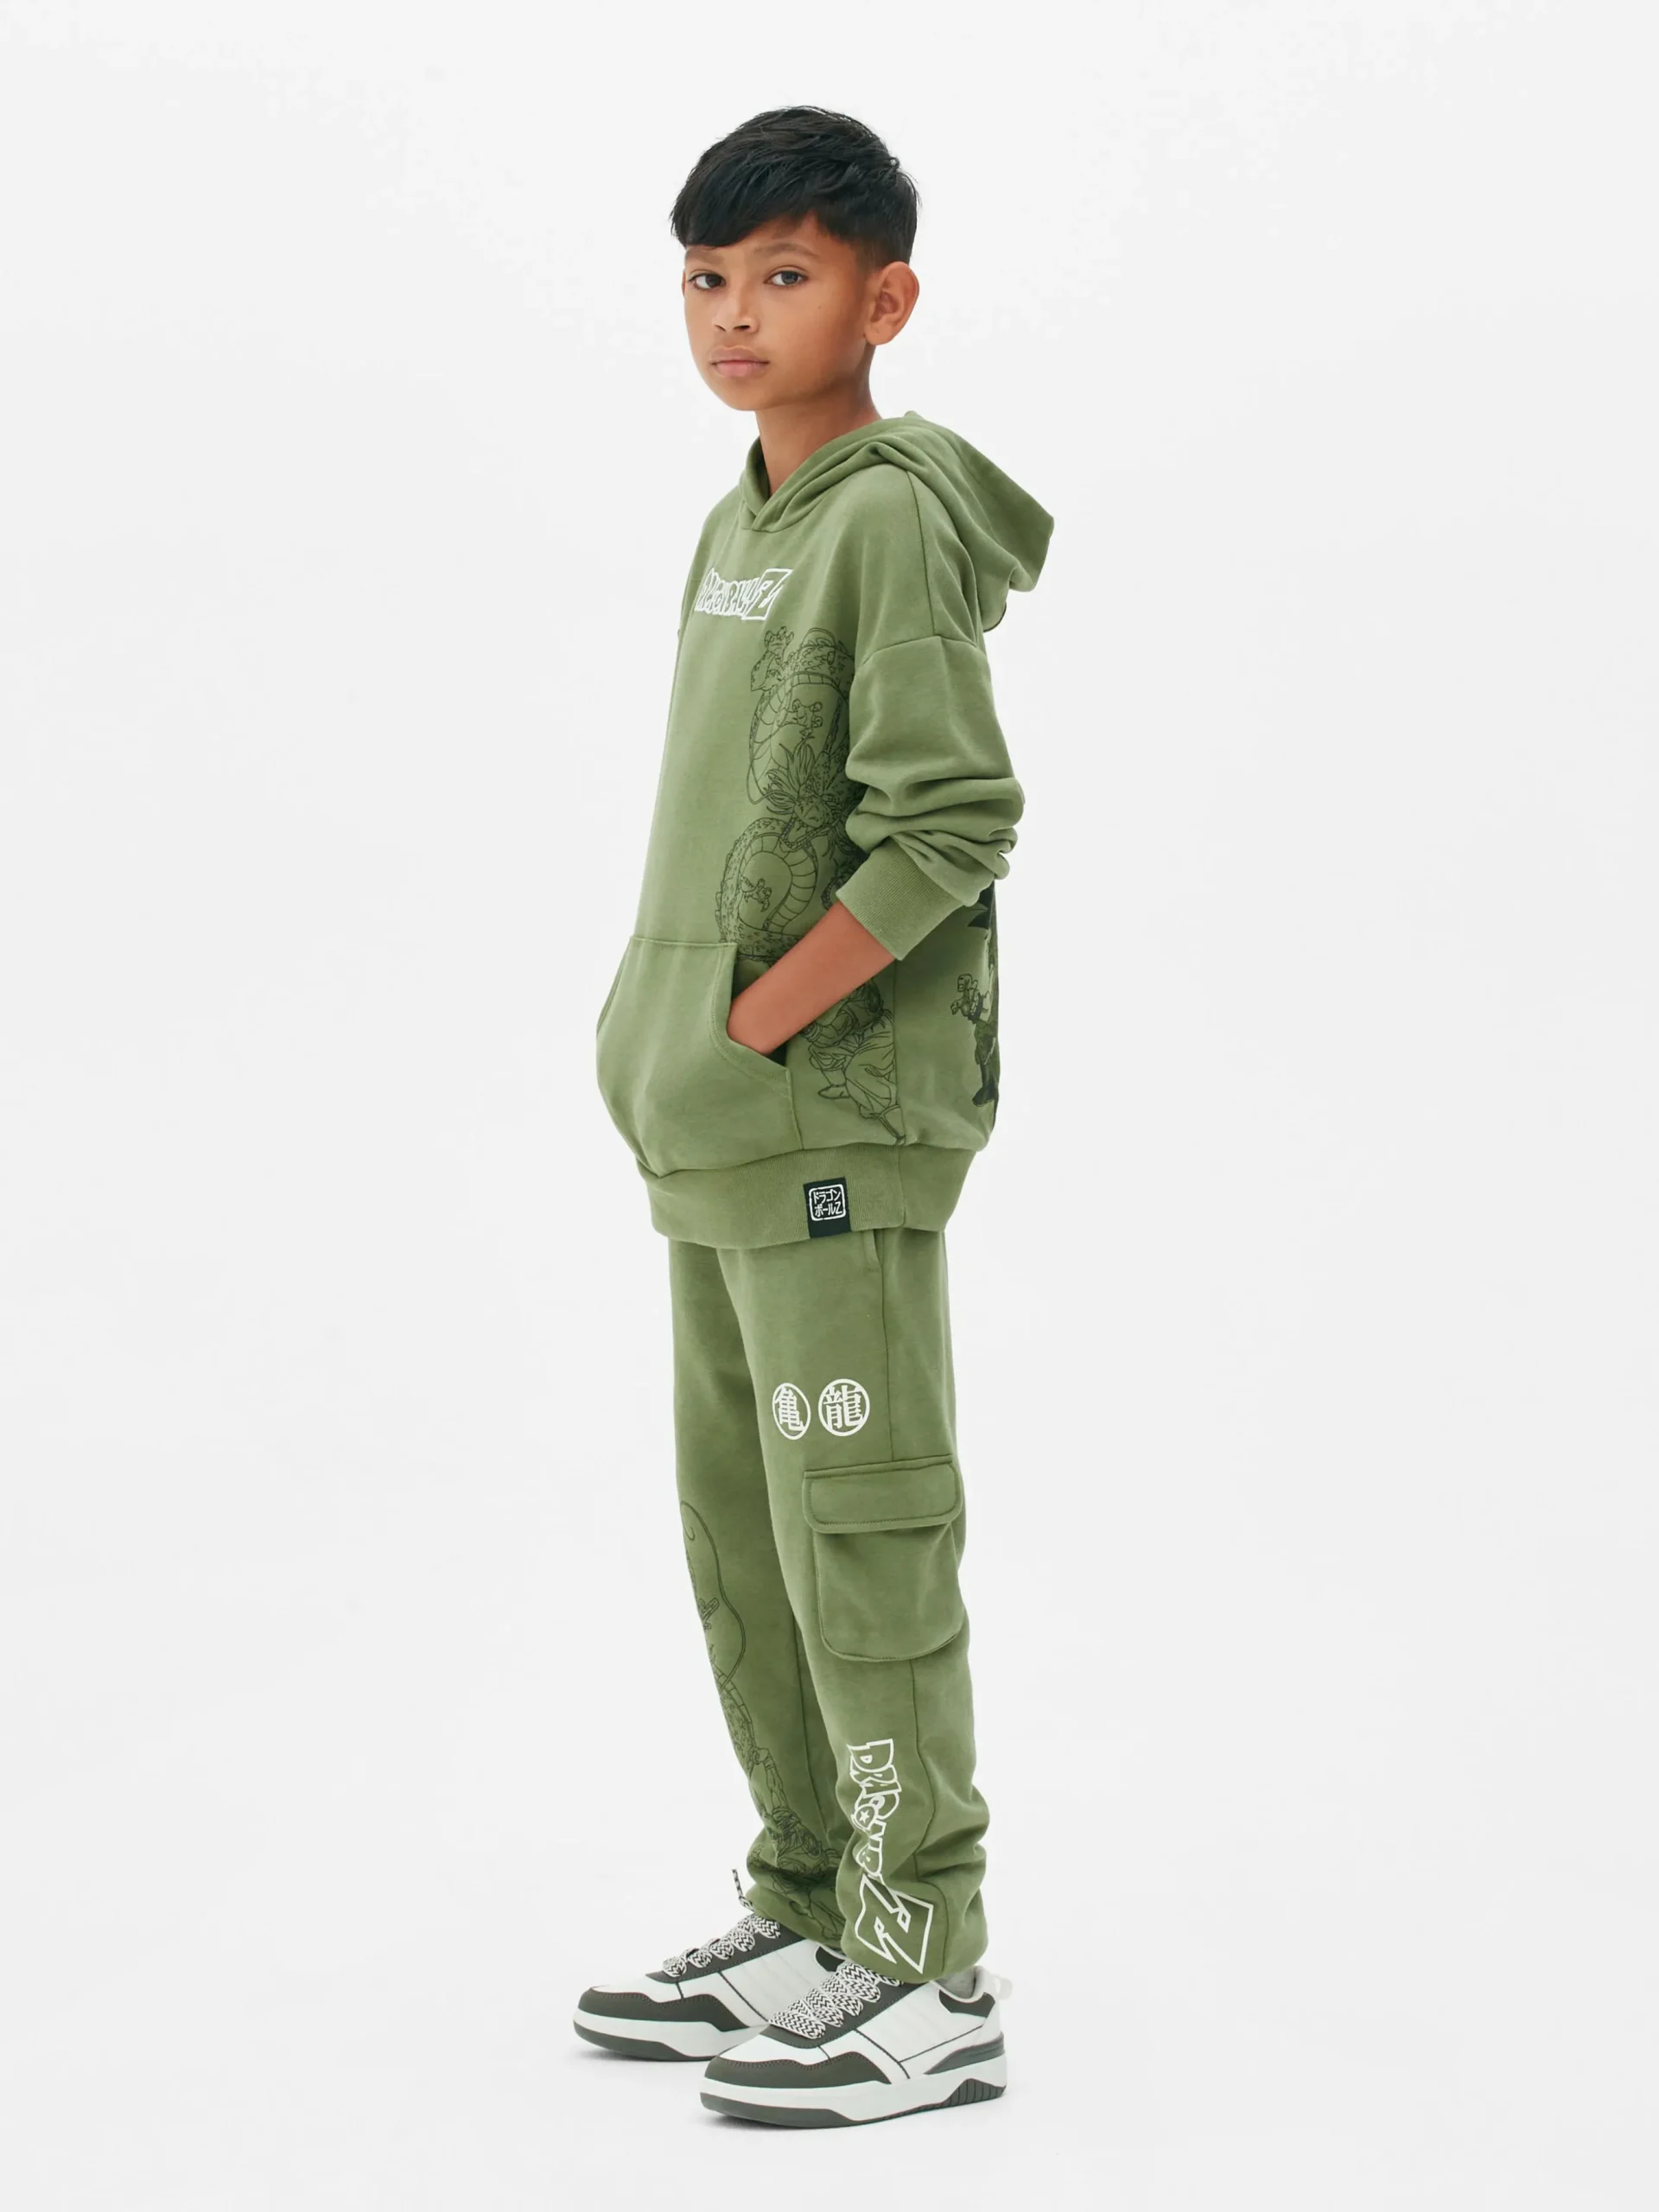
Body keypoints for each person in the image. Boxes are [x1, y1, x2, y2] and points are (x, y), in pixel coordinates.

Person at [575, 105, 1053, 2129]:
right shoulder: (743, 520)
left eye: (783, 274)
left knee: (863, 1534)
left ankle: (926, 1963)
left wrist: (760, 1021)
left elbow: (951, 819)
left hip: (828, 1126)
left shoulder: (884, 521)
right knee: (747, 1537)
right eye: (708, 276)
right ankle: (811, 1905)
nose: (735, 314)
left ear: (886, 298)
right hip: (712, 1132)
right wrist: (676, 1041)